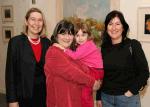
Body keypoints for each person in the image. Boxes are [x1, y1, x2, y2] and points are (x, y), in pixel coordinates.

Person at [96, 10, 149, 107]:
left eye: (117, 24)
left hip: (127, 99)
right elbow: (101, 74)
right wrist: (98, 97)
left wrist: (130, 92)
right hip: (106, 98)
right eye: (110, 24)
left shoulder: (133, 45)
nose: (114, 28)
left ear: (123, 27)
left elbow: (144, 72)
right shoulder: (103, 48)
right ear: (106, 27)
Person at [44, 20, 100, 107]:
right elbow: (72, 72)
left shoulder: (69, 53)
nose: (67, 37)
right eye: (63, 34)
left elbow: (84, 69)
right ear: (56, 35)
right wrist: (92, 82)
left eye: (70, 34)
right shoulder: (53, 52)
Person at [5, 7, 51, 107]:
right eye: (33, 19)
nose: (36, 23)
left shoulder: (47, 43)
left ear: (43, 23)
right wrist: (12, 100)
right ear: (26, 21)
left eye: (40, 20)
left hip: (44, 96)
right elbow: (10, 74)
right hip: (23, 97)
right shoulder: (15, 43)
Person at [62, 22, 104, 107]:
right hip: (93, 69)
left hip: (95, 70)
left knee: (85, 93)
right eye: (77, 35)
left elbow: (75, 56)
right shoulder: (82, 45)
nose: (80, 38)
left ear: (88, 35)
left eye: (83, 35)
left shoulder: (88, 45)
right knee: (83, 91)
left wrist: (64, 49)